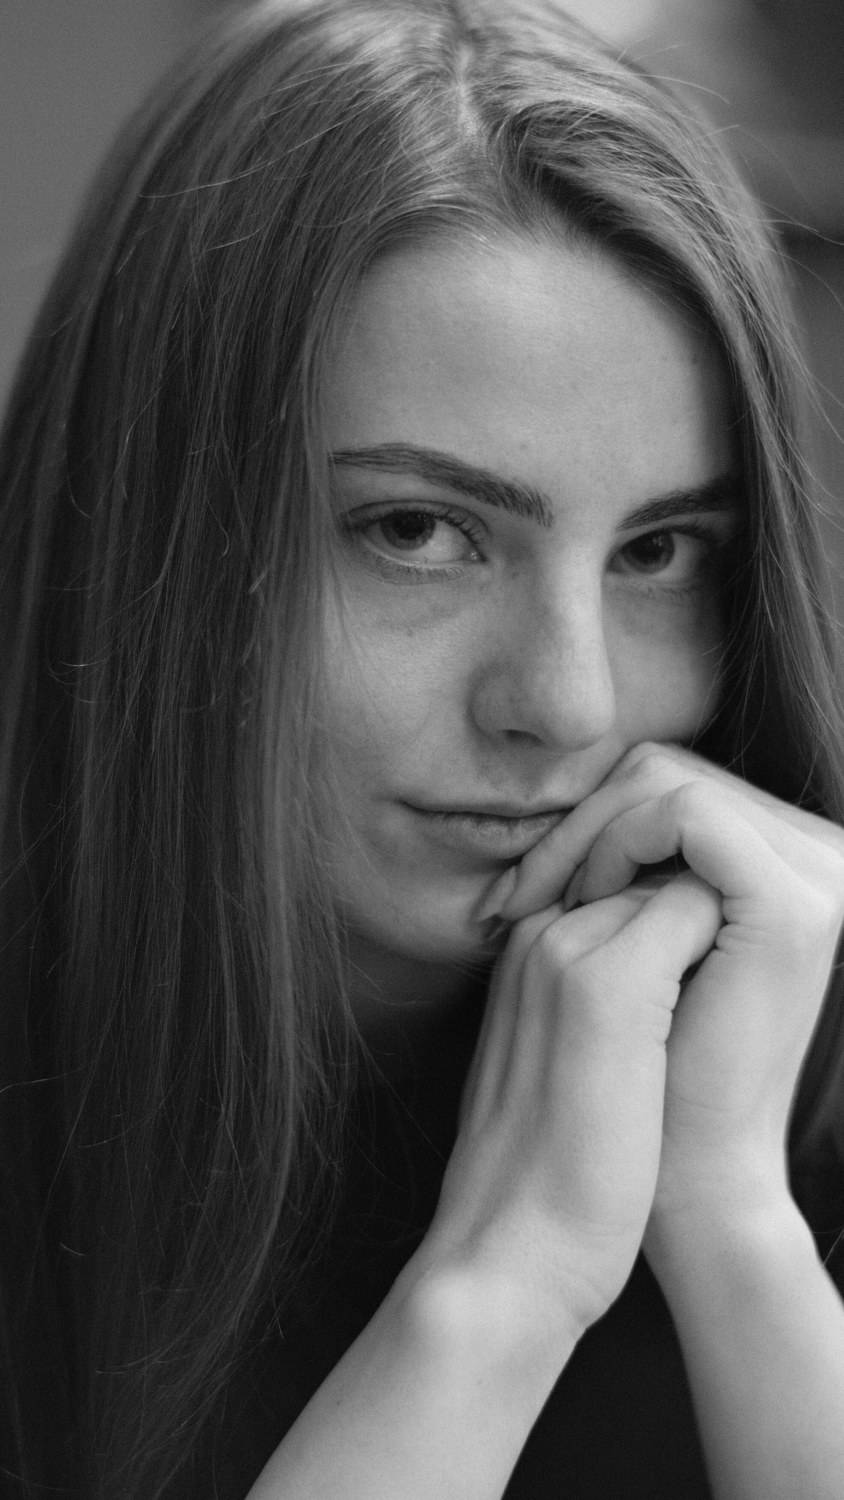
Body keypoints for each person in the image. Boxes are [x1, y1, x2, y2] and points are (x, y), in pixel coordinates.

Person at [1, 0, 844, 1495]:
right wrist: (502, 1290)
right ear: (146, 542)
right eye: (417, 531)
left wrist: (735, 1223)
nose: (570, 705)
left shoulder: (786, 1027)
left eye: (658, 552)